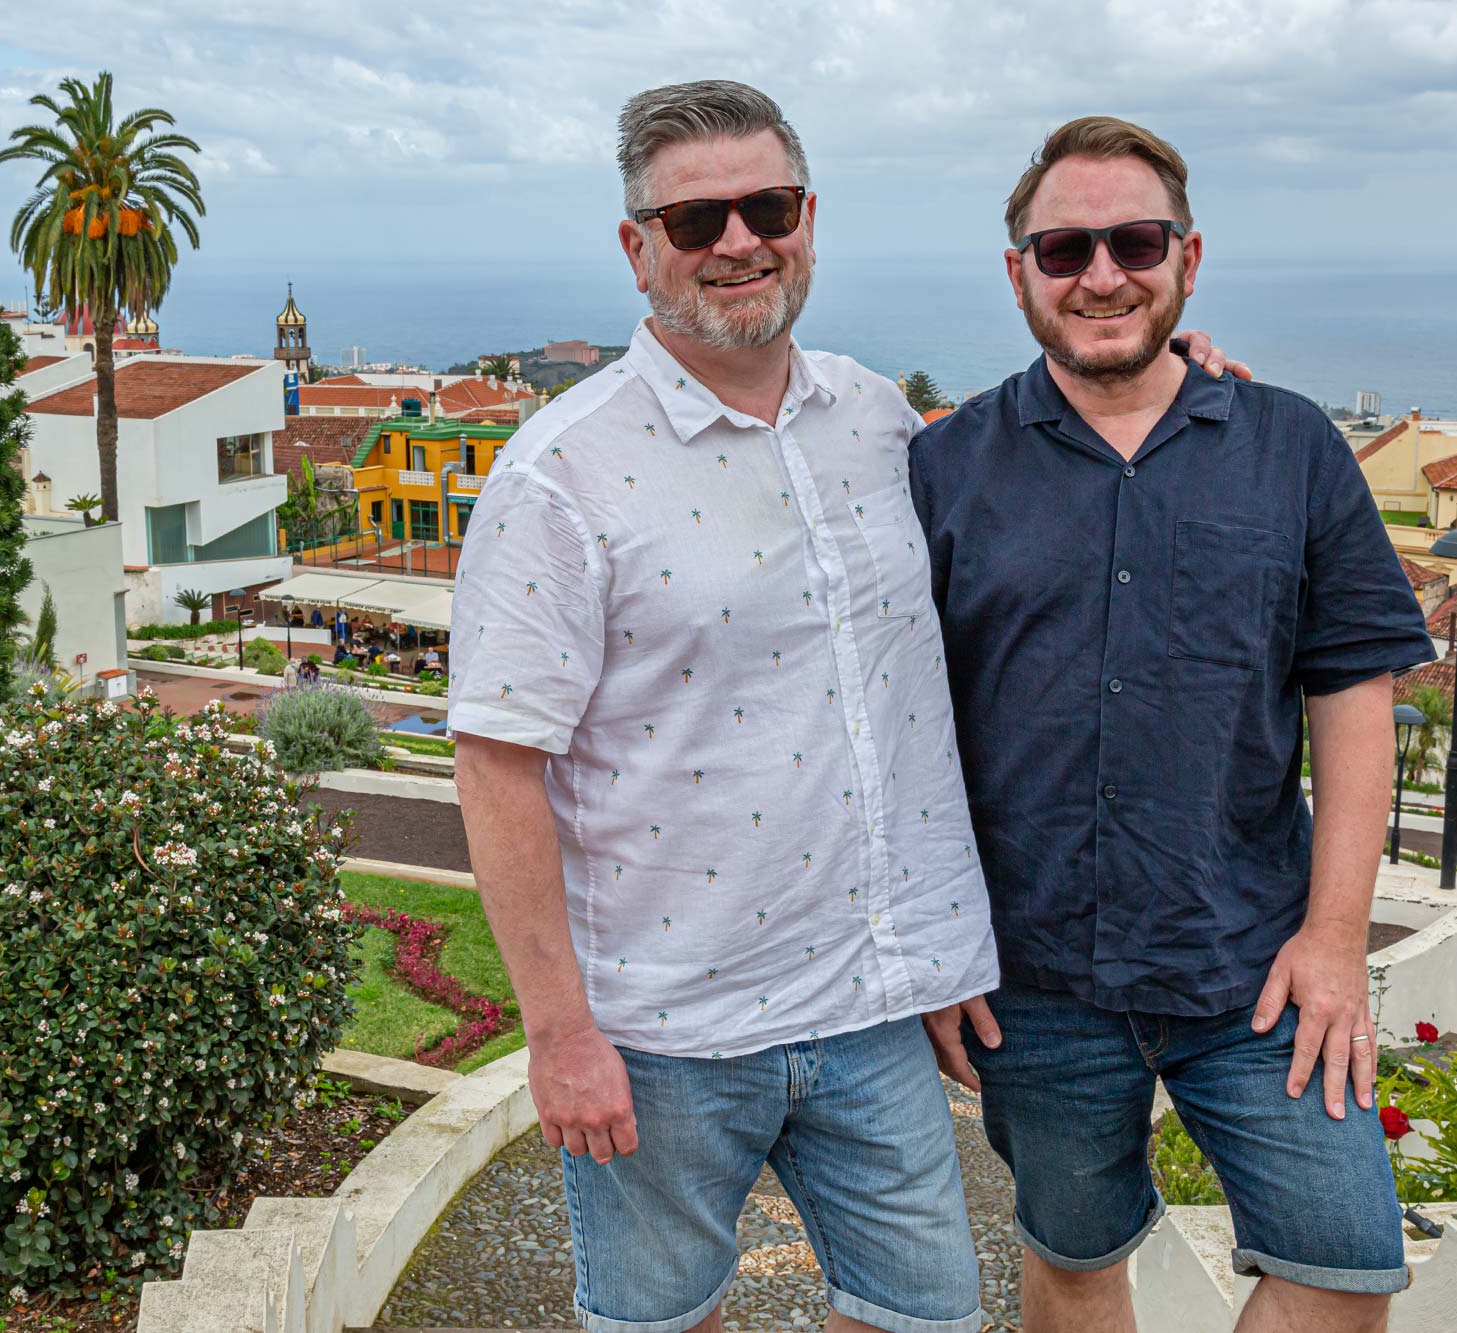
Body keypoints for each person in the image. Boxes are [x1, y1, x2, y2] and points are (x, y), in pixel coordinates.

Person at [450, 82, 1241, 1333]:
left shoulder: (871, 416)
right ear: (636, 245)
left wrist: (1169, 375)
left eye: (764, 206)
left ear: (807, 218)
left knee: (926, 1312)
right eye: (694, 217)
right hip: (664, 1030)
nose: (735, 241)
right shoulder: (560, 472)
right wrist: (558, 1035)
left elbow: (1033, 460)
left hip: (868, 1013)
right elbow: (496, 765)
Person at [910, 117, 1435, 1333]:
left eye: (1133, 240)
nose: (1101, 273)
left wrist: (1336, 938)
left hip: (1253, 964)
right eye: (1064, 248)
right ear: (1017, 274)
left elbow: (1353, 694)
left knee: (1343, 1269)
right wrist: (930, 948)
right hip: (1027, 976)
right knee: (1075, 1260)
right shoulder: (941, 468)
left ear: (1186, 258)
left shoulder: (1289, 446)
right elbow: (898, 733)